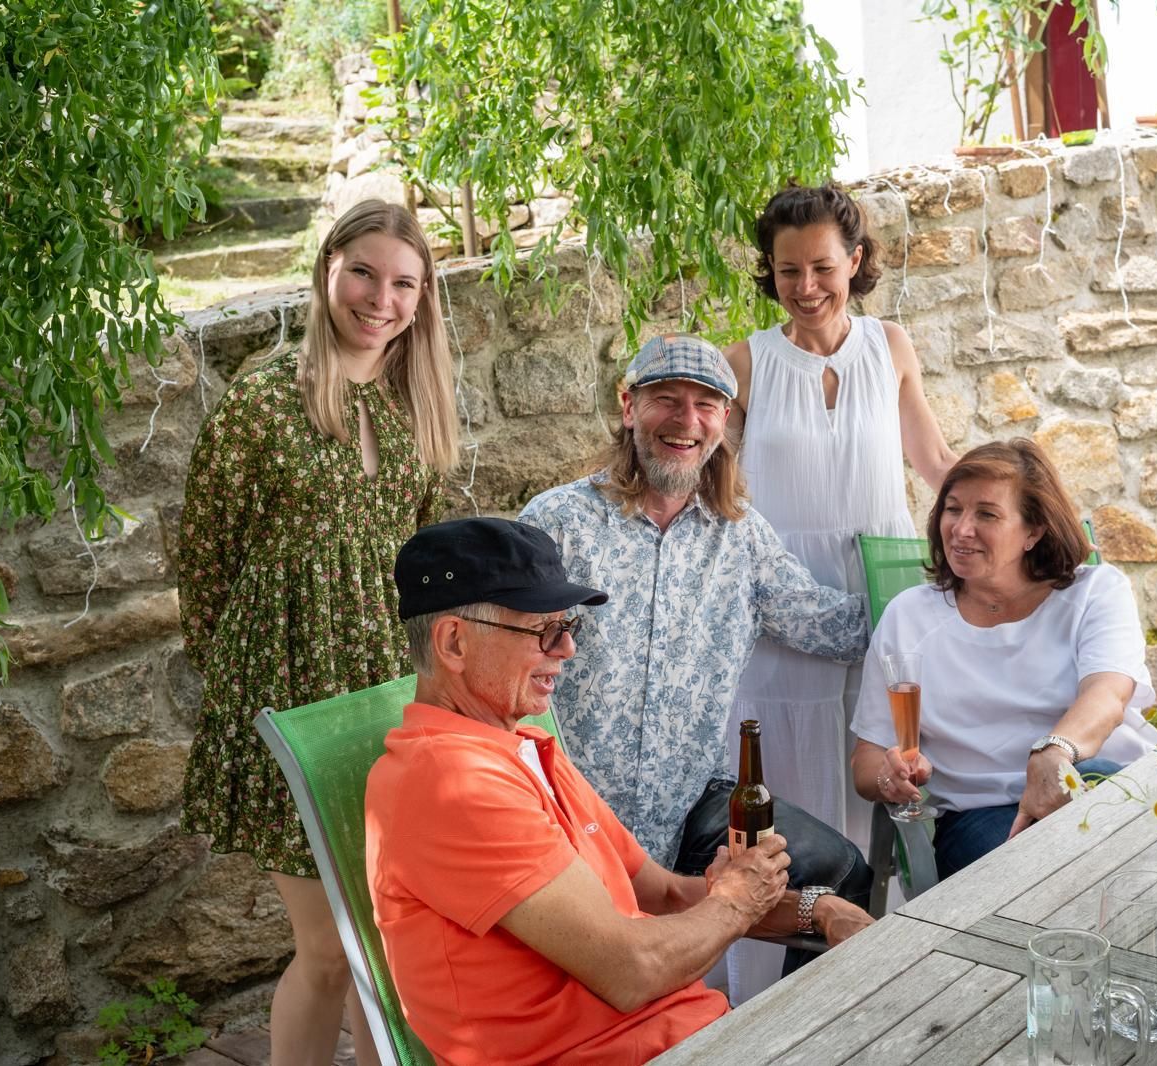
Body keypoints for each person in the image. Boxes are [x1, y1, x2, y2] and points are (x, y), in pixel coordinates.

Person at [366, 518, 873, 1064]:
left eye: (568, 627)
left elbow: (668, 895)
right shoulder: (450, 783)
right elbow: (634, 970)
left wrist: (818, 909)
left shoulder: (525, 748)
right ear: (454, 642)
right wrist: (736, 899)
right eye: (543, 631)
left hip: (686, 1035)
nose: (566, 650)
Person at [178, 199, 458, 1066]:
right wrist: (247, 692)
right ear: (327, 268)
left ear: (423, 297)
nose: (381, 299)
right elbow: (206, 560)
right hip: (291, 697)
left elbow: (428, 550)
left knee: (385, 937)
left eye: (404, 283)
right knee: (330, 945)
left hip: (387, 697)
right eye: (365, 273)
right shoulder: (262, 403)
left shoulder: (421, 401)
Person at [517, 334, 874, 943]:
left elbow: (831, 626)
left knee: (839, 873)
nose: (687, 421)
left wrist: (948, 598)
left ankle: (808, 1034)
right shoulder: (556, 523)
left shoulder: (740, 536)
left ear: (724, 421)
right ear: (629, 407)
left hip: (693, 804)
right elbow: (508, 655)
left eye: (706, 404)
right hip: (572, 807)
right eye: (666, 399)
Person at [721, 181, 959, 997]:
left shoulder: (890, 347)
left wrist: (1018, 512)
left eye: (823, 265)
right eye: (789, 270)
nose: (807, 285)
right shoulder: (745, 364)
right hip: (781, 619)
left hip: (881, 605)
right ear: (772, 274)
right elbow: (713, 490)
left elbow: (934, 465)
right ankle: (767, 999)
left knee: (880, 787)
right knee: (784, 801)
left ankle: (882, 984)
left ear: (854, 262)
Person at [849, 440, 1157, 880]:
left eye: (987, 515)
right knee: (1066, 871)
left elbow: (1108, 695)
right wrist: (890, 778)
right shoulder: (910, 617)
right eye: (953, 509)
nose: (960, 529)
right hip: (984, 817)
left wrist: (1052, 755)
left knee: (1116, 838)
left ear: (1033, 531)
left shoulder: (1096, 592)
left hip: (1095, 777)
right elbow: (867, 760)